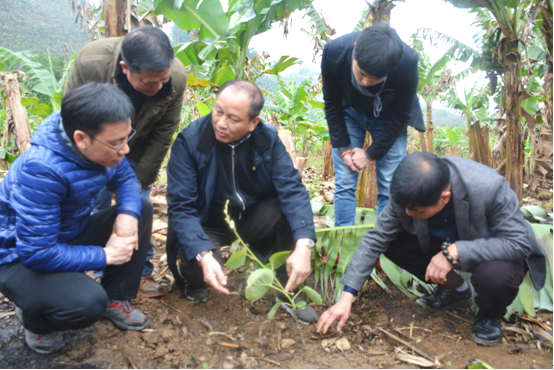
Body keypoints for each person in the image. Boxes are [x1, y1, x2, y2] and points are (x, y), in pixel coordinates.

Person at [316, 152, 546, 346]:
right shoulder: (407, 193)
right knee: (392, 242)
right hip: (439, 242)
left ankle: (490, 314)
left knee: (495, 277)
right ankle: (456, 290)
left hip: (492, 248)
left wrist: (456, 252)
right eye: (405, 207)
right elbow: (375, 239)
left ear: (444, 198)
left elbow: (519, 242)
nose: (407, 214)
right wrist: (347, 297)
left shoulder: (488, 187)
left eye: (416, 211)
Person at [0, 83, 153, 354]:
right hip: (18, 257)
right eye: (117, 143)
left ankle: (114, 298)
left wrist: (128, 214)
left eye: (126, 138)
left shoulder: (97, 142)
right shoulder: (42, 171)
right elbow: (36, 253)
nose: (125, 150)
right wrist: (106, 255)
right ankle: (37, 320)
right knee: (87, 303)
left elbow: (126, 178)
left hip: (65, 233)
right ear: (82, 139)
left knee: (141, 208)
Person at [165, 80, 319, 324]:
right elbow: (181, 207)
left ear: (253, 123)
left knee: (288, 214)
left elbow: (292, 189)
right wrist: (203, 254)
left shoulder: (267, 139)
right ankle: (192, 282)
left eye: (233, 119)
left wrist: (304, 244)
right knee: (198, 261)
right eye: (218, 111)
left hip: (252, 218)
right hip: (209, 222)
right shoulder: (190, 142)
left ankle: (289, 291)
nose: (221, 123)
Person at [65, 26, 187, 298]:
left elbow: (165, 129)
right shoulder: (91, 62)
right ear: (125, 68)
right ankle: (96, 265)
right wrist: (91, 164)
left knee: (139, 207)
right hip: (96, 145)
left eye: (162, 81)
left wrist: (142, 174)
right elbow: (71, 115)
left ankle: (138, 271)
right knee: (93, 204)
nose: (158, 89)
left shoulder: (175, 77)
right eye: (149, 83)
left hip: (138, 146)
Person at [321, 24, 425, 224]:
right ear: (355, 54)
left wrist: (370, 154)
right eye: (361, 73)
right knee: (344, 181)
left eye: (375, 78)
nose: (366, 82)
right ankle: (343, 241)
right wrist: (343, 148)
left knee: (389, 185)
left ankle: (384, 244)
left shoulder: (407, 61)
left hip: (389, 116)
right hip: (350, 112)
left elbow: (402, 114)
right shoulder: (335, 51)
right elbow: (331, 104)